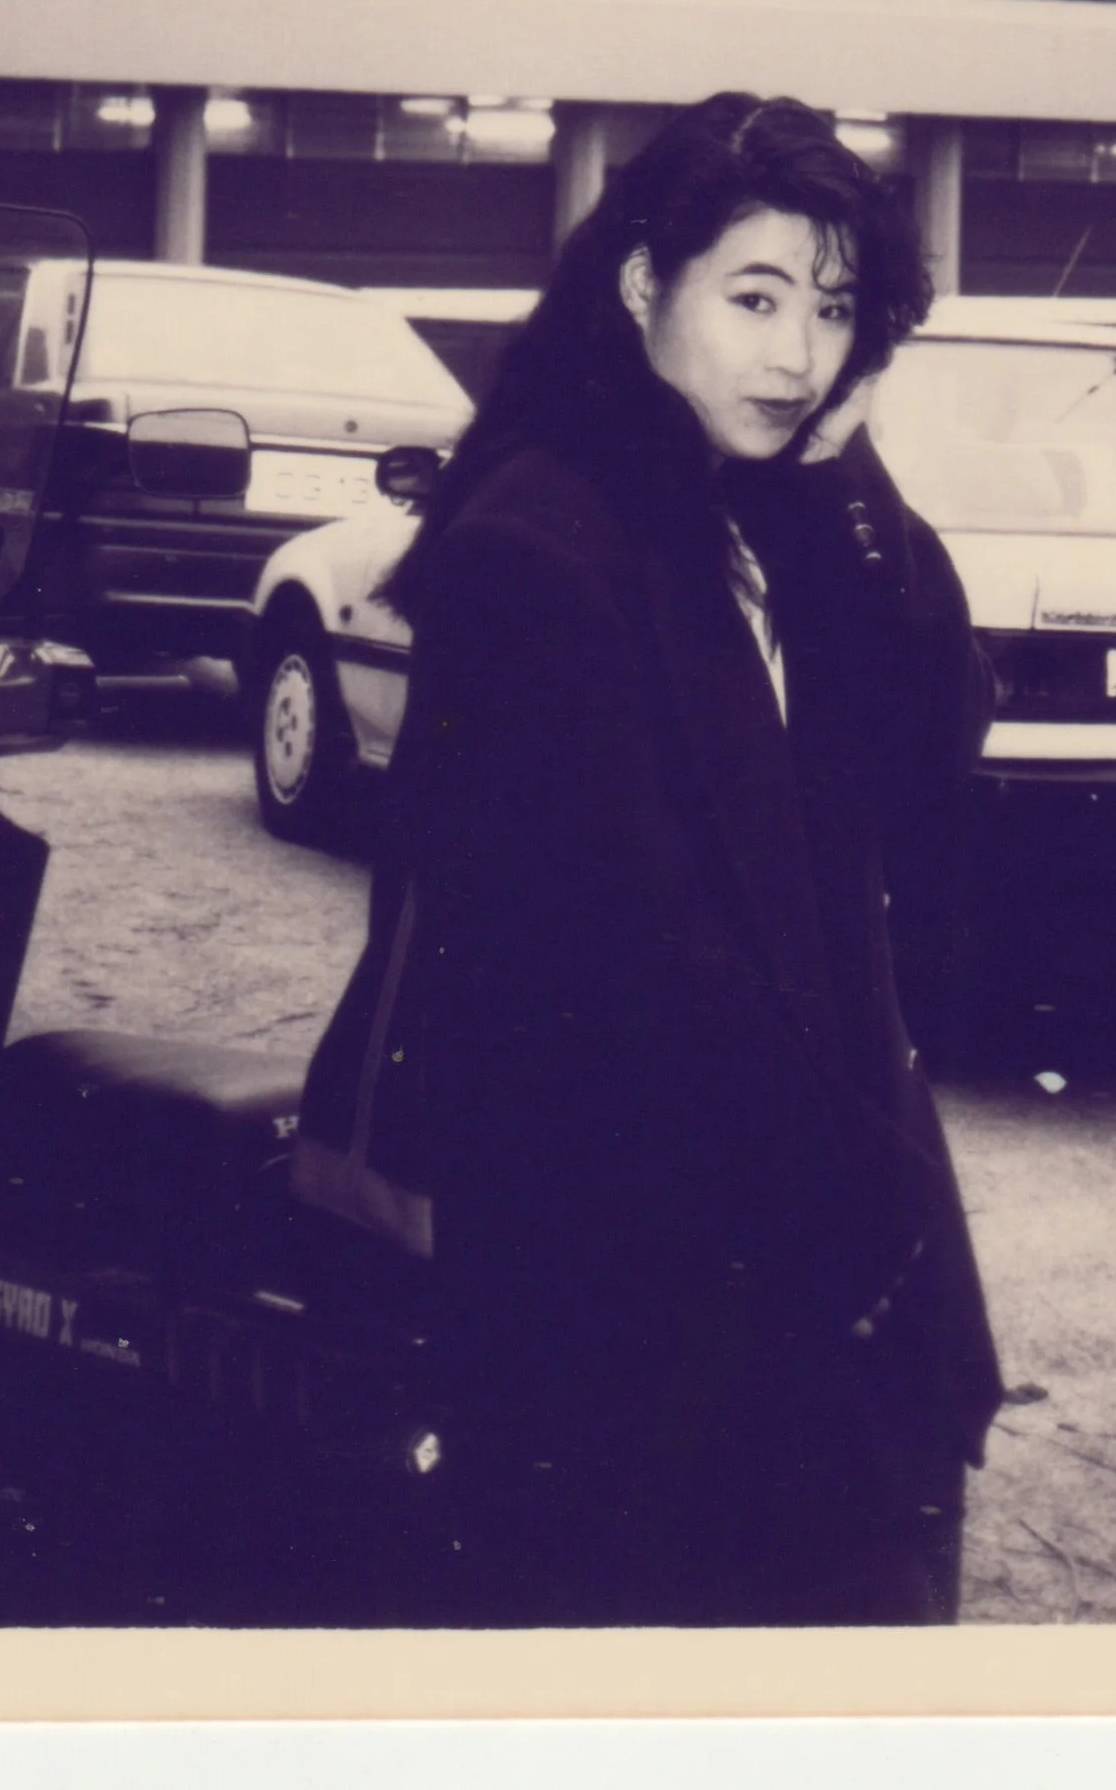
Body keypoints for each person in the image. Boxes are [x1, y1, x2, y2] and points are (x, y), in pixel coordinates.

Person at [292, 91, 1004, 1627]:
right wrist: (858, 1207)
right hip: (645, 1284)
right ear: (640, 289)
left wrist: (851, 471)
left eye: (830, 312)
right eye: (751, 300)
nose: (794, 357)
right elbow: (627, 954)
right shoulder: (542, 540)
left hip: (804, 1260)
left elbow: (937, 737)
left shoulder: (773, 507)